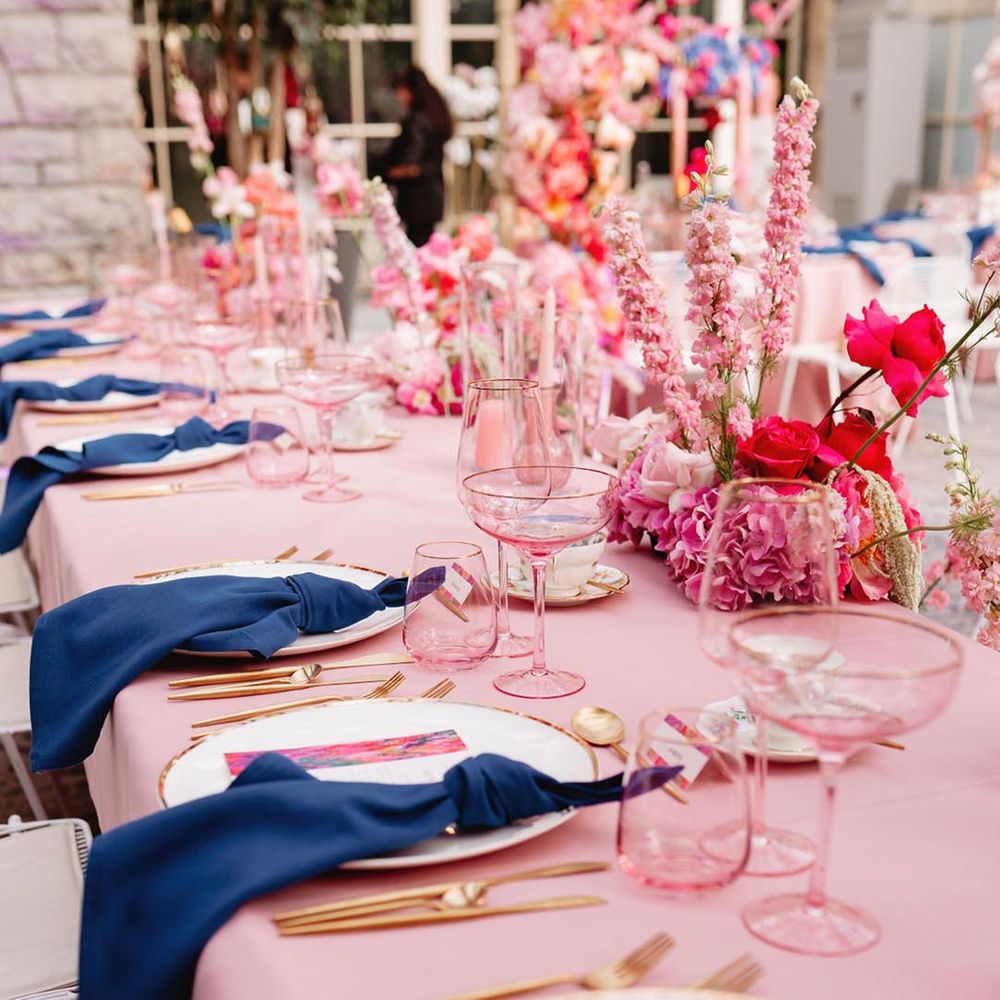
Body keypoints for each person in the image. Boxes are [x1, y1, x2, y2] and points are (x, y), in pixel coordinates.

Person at [385, 65, 453, 247]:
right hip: (431, 197)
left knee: (417, 250)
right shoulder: (432, 116)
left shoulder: (417, 121)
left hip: (418, 201)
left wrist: (387, 173)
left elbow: (411, 164)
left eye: (400, 90)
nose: (398, 96)